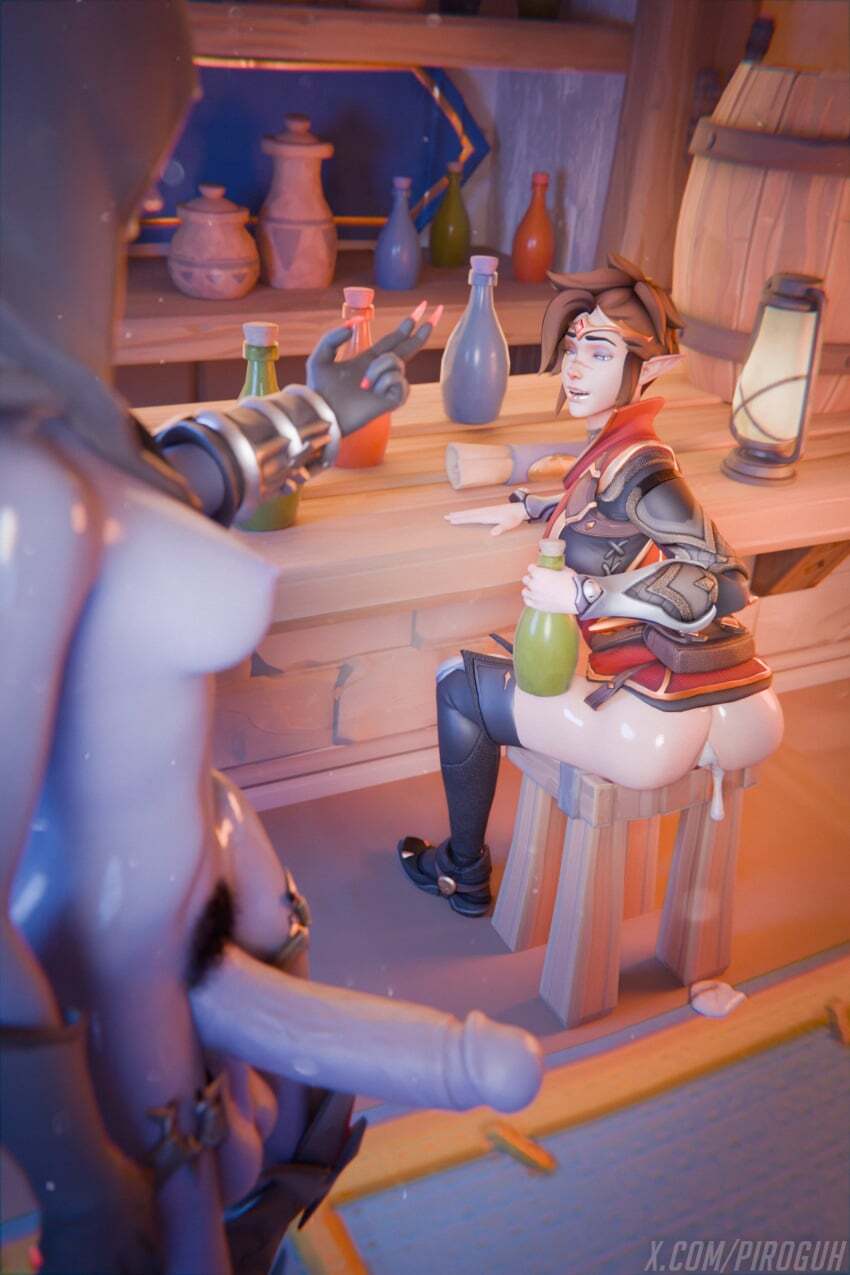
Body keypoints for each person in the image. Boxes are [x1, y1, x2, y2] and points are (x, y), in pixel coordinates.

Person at [0, 4, 541, 1273]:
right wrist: (79, 1179)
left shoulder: (49, 428)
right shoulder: (16, 495)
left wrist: (318, 407)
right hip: (127, 1000)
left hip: (195, 948)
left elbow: (155, 483)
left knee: (241, 1189)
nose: (175, 138)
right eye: (145, 98)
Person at [398, 256, 784, 917]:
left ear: (653, 369)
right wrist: (529, 506)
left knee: (456, 686)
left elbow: (725, 584)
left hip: (654, 727)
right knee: (498, 668)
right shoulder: (621, 451)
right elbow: (602, 512)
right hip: (722, 704)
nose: (575, 367)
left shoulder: (646, 468)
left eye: (600, 352)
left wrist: (584, 596)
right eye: (575, 347)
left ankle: (462, 873)